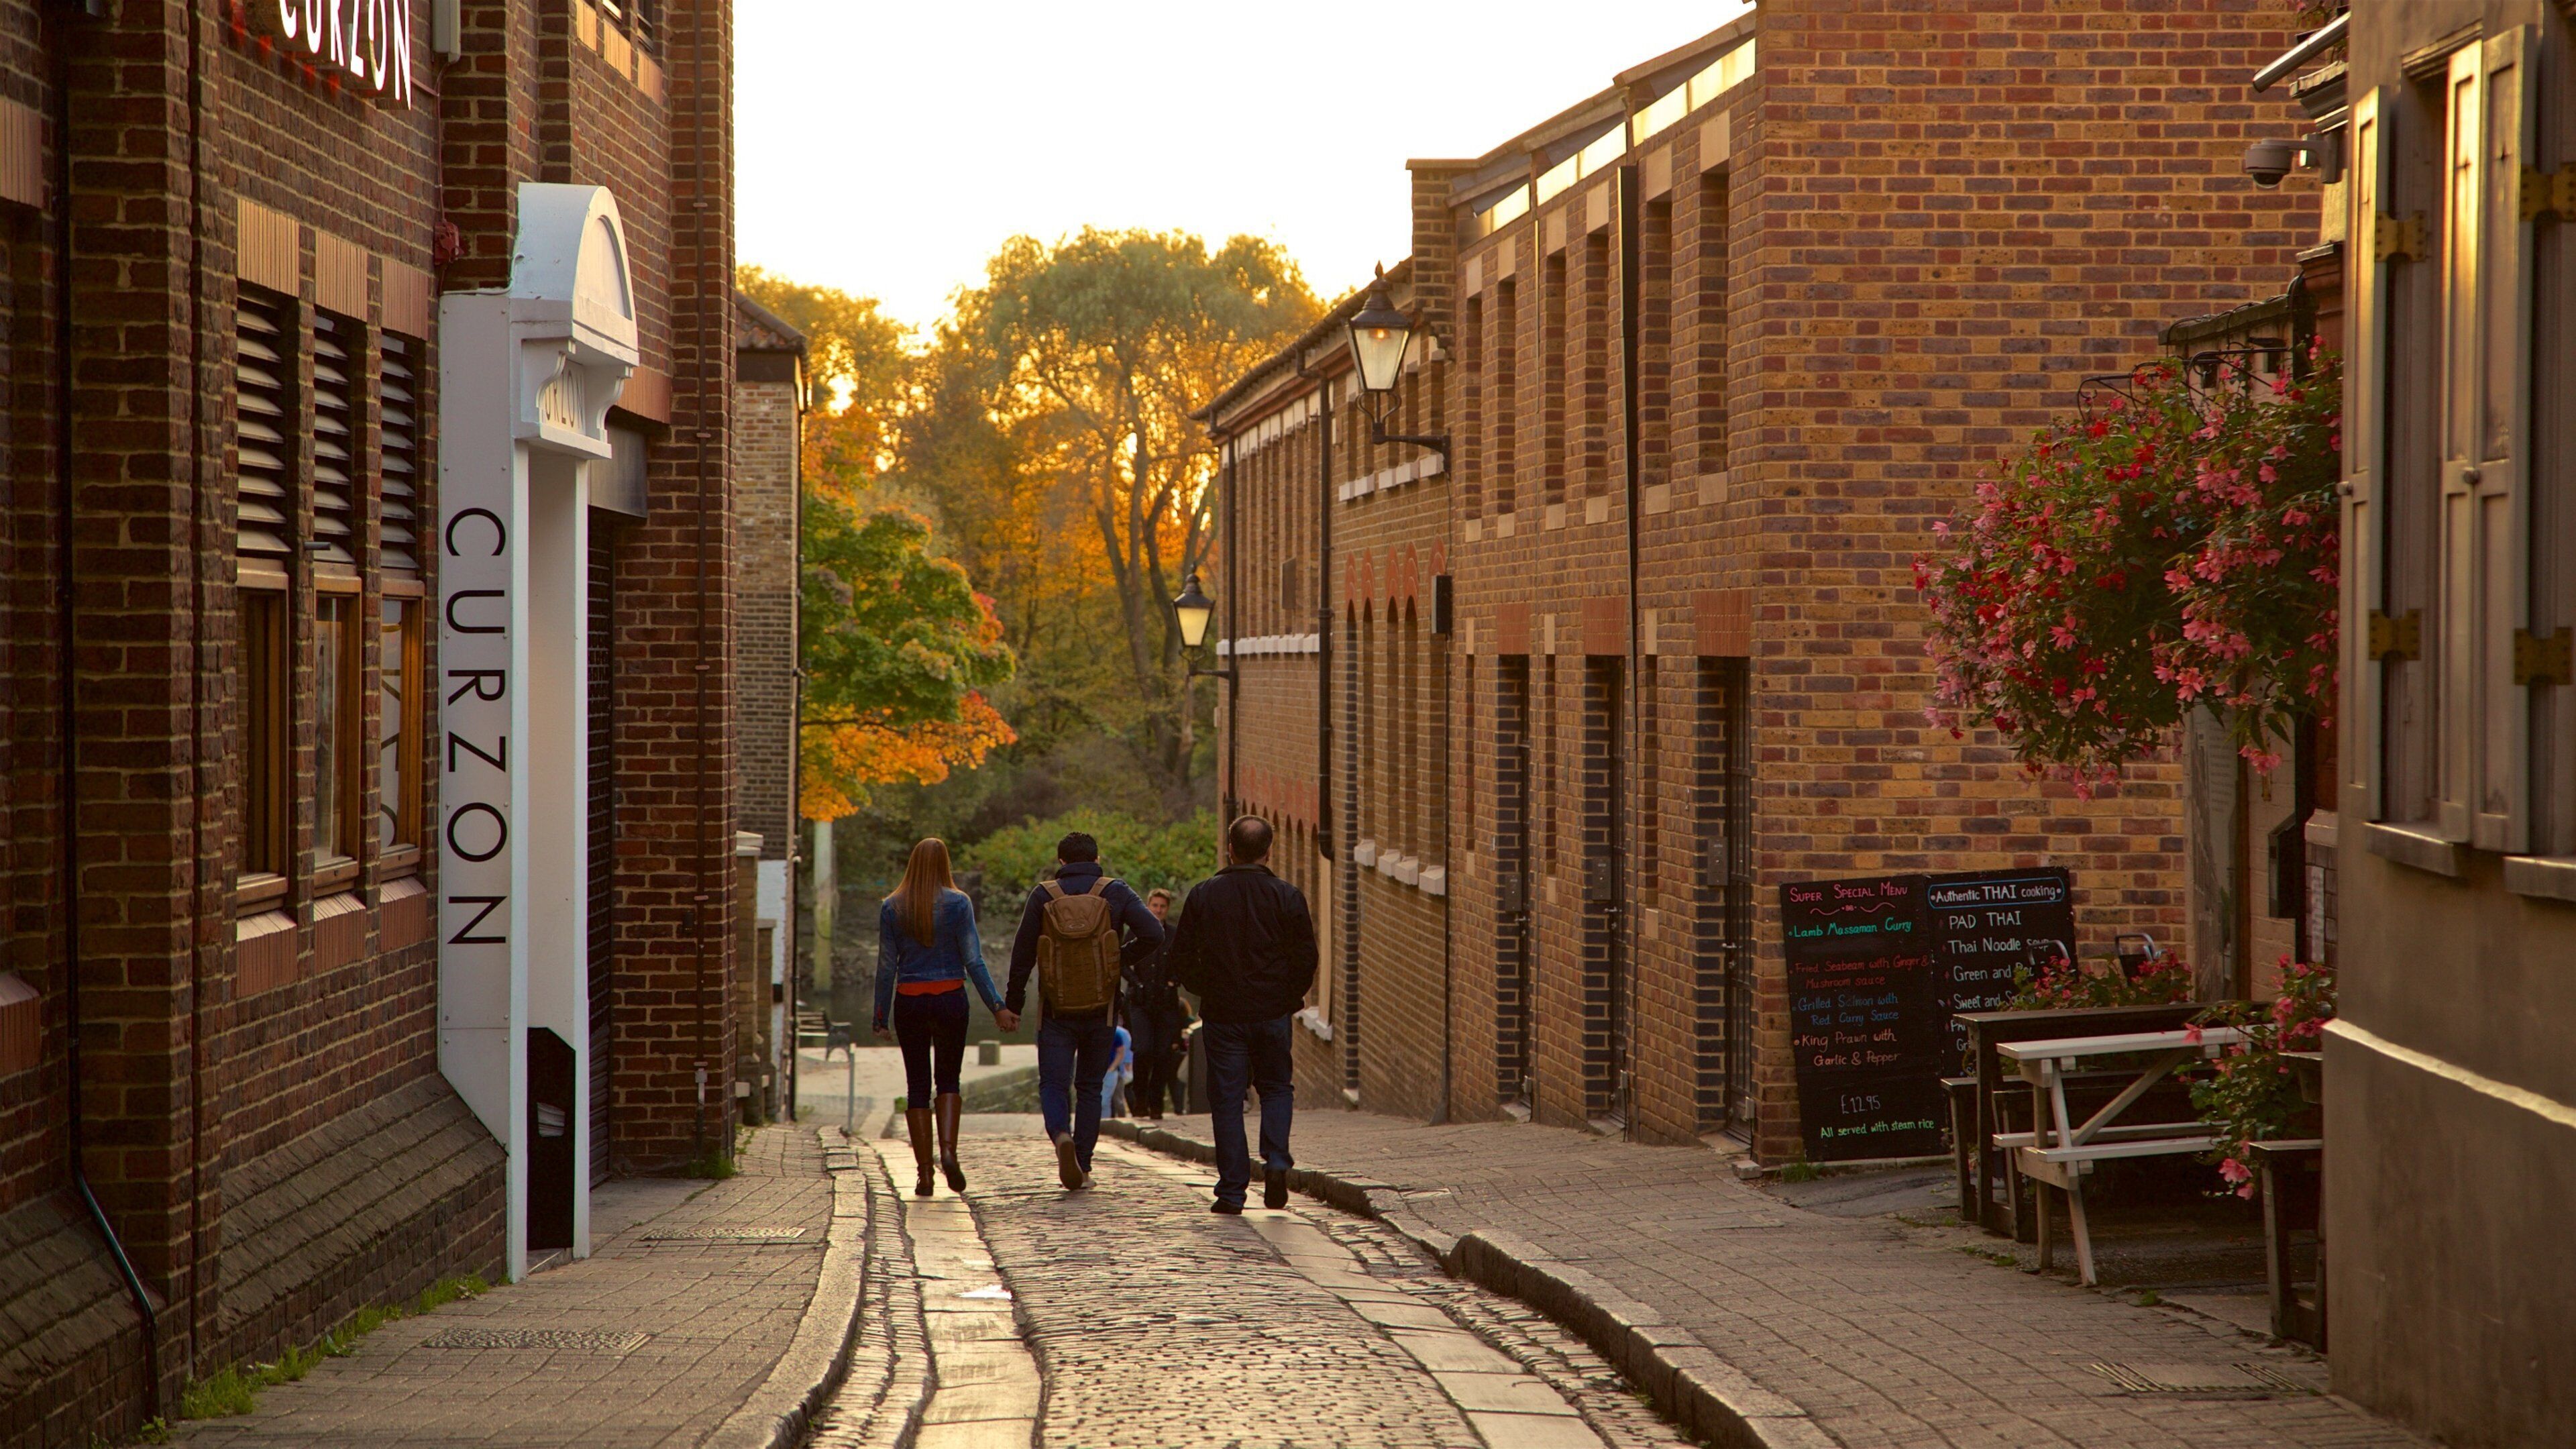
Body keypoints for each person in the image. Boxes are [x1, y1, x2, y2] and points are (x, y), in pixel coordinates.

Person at [1165, 815, 1316, 1214]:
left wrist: (1206, 988)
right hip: (1271, 1011)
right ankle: (1277, 1161)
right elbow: (1306, 958)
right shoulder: (1287, 896)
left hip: (1224, 1014)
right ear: (1269, 851)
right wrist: (1289, 996)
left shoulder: (1204, 895)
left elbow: (1180, 957)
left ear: (1229, 848)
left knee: (1228, 1100)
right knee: (1277, 1087)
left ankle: (1232, 1191)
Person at [1005, 831, 1163, 1190]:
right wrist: (1118, 960)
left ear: (1061, 861)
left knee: (1054, 1083)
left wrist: (1013, 1004)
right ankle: (1084, 1164)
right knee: (1090, 1087)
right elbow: (1154, 933)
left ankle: (1061, 1134)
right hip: (1101, 1008)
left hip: (1055, 1010)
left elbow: (1023, 954)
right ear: (1096, 859)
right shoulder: (1116, 891)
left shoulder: (1043, 895)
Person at [874, 839, 1016, 1197]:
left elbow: (887, 966)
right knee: (949, 1079)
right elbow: (974, 960)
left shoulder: (892, 907)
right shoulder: (959, 903)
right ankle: (949, 1153)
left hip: (909, 1003)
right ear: (944, 865)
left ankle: (924, 1175)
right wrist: (997, 1006)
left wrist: (880, 1016)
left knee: (917, 1086)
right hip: (951, 998)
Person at [1123, 888, 1191, 1121]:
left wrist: (1174, 981)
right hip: (1140, 1002)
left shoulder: (1175, 934)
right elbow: (1119, 961)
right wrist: (1135, 983)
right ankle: (1140, 1100)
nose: (1159, 910)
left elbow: (1186, 961)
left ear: (1167, 909)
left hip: (1166, 1002)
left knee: (1163, 1054)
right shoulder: (1135, 933)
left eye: (1163, 907)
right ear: (1148, 906)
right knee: (1143, 1050)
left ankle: (1156, 1104)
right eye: (1155, 906)